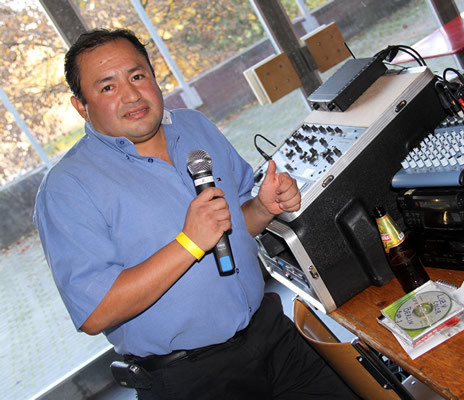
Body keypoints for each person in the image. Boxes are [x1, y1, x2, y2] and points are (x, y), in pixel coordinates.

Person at [34, 29, 358, 400]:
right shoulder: (66, 188)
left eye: (137, 76)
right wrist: (189, 243)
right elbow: (96, 312)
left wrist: (262, 208)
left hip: (272, 336)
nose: (132, 95)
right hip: (191, 378)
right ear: (81, 106)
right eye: (108, 87)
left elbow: (233, 226)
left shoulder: (194, 126)